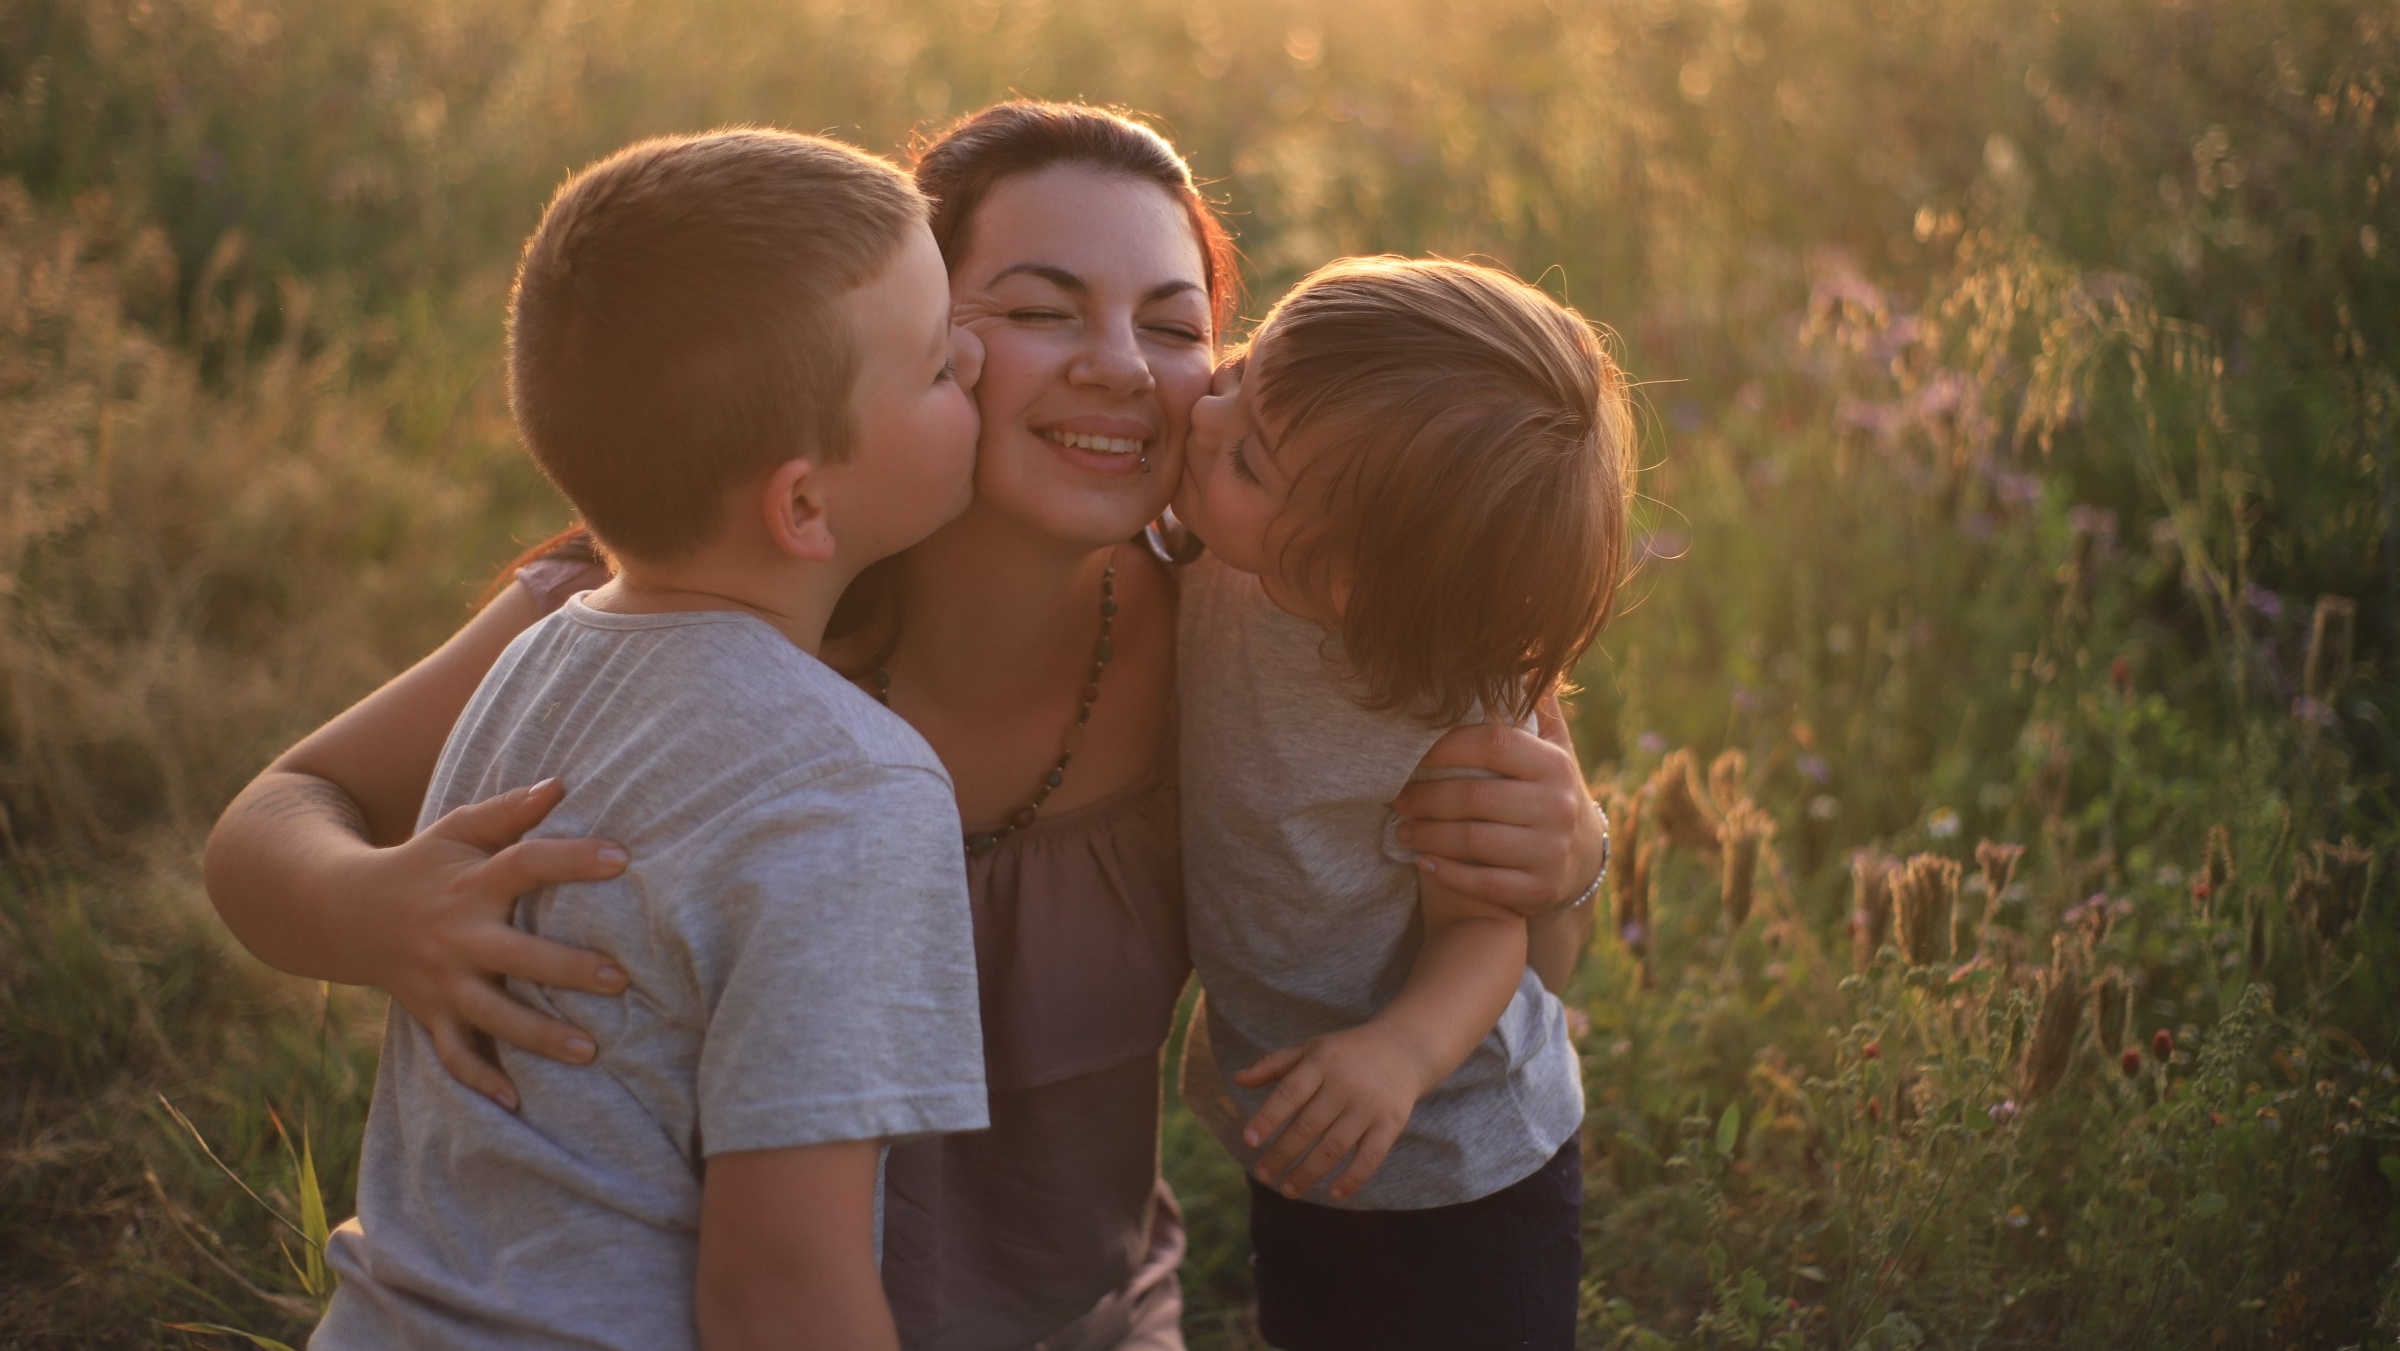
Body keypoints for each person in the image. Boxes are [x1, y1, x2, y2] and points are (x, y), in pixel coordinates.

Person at [205, 102, 1613, 1351]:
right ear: (908, 332)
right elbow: (279, 813)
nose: (1125, 365)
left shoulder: (1259, 623)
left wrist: (1564, 862)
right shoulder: (674, 607)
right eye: (1043, 307)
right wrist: (378, 908)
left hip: (1086, 1316)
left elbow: (1505, 951)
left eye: (1178, 326)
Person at [309, 130, 993, 1351]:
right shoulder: (855, 786)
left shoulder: (538, 660)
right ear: (802, 505)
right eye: (942, 366)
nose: (981, 361)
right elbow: (781, 1291)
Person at [1171, 257, 1633, 1351]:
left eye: (1245, 453)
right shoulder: (1209, 553)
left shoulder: (1444, 701)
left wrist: (1396, 1056)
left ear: (1348, 583)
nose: (1204, 415)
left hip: (1464, 1158)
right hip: (1299, 1123)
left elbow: (1487, 932)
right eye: (1241, 368)